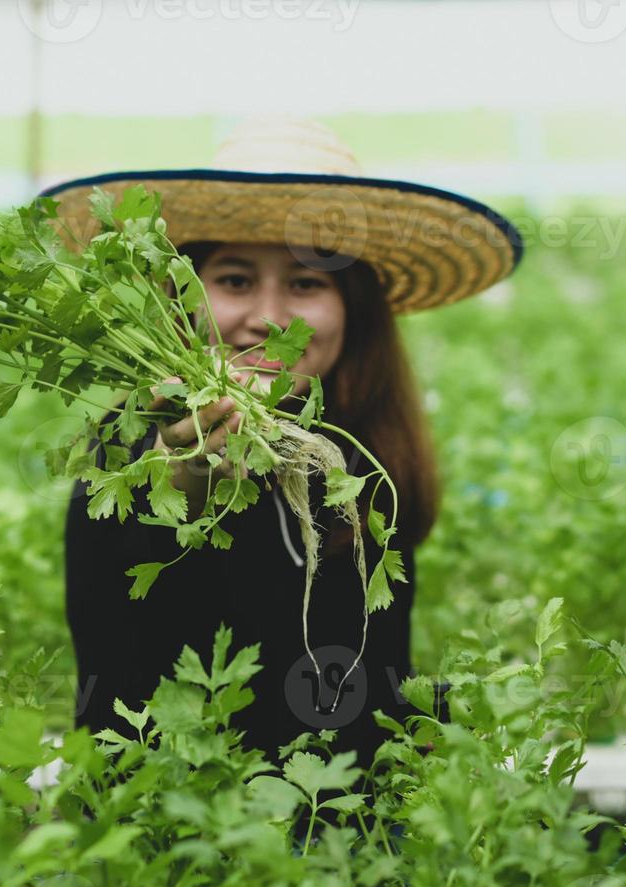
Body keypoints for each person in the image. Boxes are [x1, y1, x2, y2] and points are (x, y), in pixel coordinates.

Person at [45, 115, 522, 775]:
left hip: (341, 828)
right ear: (184, 303)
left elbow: (376, 687)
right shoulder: (130, 442)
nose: (268, 315)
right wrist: (186, 481)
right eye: (235, 281)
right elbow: (119, 646)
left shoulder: (362, 458)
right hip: (164, 821)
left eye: (306, 283)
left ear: (354, 311)